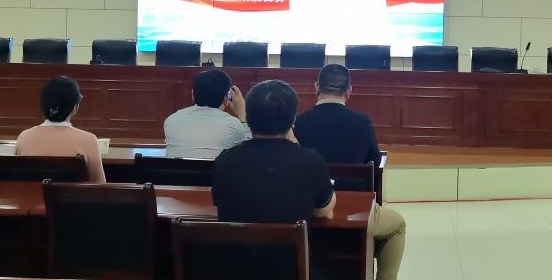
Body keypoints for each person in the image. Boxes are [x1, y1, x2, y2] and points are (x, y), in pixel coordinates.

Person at [213, 80, 406, 280]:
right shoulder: (310, 161)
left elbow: (219, 204)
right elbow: (324, 211)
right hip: (291, 271)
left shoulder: (225, 161)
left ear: (248, 118)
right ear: (292, 121)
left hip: (234, 270)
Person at [14, 76, 106, 183]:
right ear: (75, 107)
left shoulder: (24, 138)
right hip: (72, 195)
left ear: (43, 106)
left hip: (30, 194)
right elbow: (99, 186)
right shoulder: (89, 140)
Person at [294, 64, 381, 166]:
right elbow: (375, 162)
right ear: (349, 90)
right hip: (350, 177)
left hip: (311, 177)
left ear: (317, 87)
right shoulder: (362, 122)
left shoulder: (298, 122)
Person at [164, 69, 251, 158]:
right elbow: (249, 151)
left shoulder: (171, 121)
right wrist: (242, 114)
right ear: (226, 99)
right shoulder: (234, 125)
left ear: (193, 94)